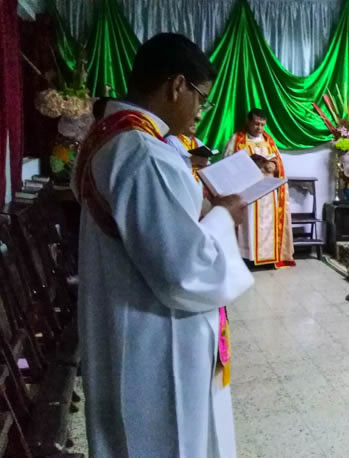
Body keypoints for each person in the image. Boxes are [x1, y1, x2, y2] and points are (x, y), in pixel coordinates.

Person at [73, 33, 252, 457]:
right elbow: (184, 271)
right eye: (201, 98)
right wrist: (225, 215)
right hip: (155, 336)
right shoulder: (142, 152)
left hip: (126, 315)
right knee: (169, 438)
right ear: (177, 86)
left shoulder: (111, 134)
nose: (200, 110)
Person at [224, 109, 295, 268]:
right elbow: (227, 164)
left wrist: (273, 165)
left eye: (262, 125)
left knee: (267, 225)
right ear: (249, 122)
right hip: (247, 190)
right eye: (256, 124)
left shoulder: (268, 140)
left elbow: (278, 162)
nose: (259, 128)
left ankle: (267, 258)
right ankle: (248, 258)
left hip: (267, 192)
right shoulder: (237, 140)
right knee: (248, 225)